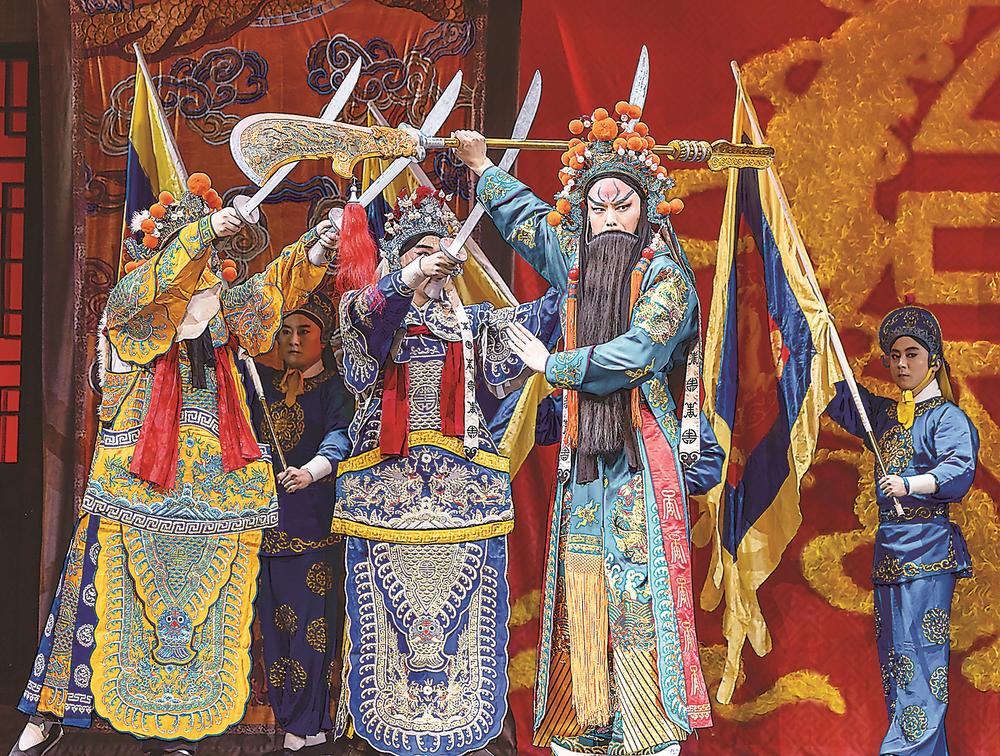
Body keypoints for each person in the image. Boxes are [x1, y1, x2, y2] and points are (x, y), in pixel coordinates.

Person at [11, 173, 338, 756]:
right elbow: (159, 289)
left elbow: (273, 291)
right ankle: (50, 711)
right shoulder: (136, 302)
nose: (204, 270)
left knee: (204, 612)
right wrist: (204, 231)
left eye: (210, 257)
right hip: (138, 480)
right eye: (194, 252)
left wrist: (316, 248)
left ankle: (176, 732)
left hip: (217, 482)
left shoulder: (220, 304)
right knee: (94, 595)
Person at [453, 101, 712, 756]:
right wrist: (483, 168)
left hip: (639, 457)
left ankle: (647, 730)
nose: (609, 219)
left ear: (646, 212)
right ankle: (591, 719)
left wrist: (556, 365)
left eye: (623, 206)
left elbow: (637, 353)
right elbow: (530, 224)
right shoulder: (578, 264)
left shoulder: (666, 279)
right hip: (585, 459)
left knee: (636, 591)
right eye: (598, 208)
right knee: (584, 586)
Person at [330, 187, 561, 756]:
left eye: (442, 250)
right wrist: (409, 279)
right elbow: (368, 330)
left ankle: (459, 733)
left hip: (463, 498)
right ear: (399, 260)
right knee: (383, 617)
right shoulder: (366, 312)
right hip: (385, 492)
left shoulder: (475, 324)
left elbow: (548, 314)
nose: (436, 259)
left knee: (465, 617)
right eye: (421, 251)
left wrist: (574, 259)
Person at [826, 304, 977, 755]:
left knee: (922, 666)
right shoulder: (886, 415)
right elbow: (841, 399)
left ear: (933, 359)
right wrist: (815, 338)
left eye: (912, 354)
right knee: (898, 670)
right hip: (890, 554)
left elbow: (959, 469)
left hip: (927, 553)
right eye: (894, 356)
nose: (902, 364)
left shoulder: (946, 418)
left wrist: (911, 484)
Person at [246, 291, 353, 755]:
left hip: (314, 532)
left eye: (304, 331)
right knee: (275, 633)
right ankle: (296, 722)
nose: (293, 340)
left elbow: (340, 437)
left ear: (322, 340)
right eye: (286, 331)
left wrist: (311, 471)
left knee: (313, 631)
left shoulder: (336, 389)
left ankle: (310, 723)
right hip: (267, 532)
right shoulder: (264, 383)